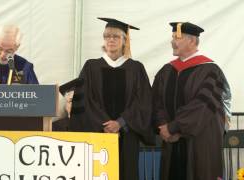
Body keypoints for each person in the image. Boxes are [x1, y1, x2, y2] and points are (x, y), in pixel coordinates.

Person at [69, 17, 155, 180]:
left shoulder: (136, 68)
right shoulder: (91, 66)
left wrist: (121, 123)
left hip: (128, 134)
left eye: (116, 36)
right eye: (107, 36)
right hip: (98, 133)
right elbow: (84, 100)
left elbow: (143, 101)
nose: (111, 40)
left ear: (125, 41)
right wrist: (106, 124)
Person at [152, 22, 231, 180]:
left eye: (177, 37)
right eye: (173, 37)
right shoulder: (167, 70)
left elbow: (202, 106)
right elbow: (156, 101)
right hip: (171, 142)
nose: (172, 41)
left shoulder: (210, 71)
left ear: (192, 41)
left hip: (200, 143)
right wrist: (163, 126)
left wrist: (173, 127)